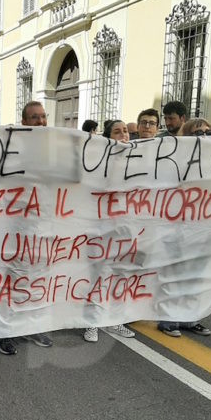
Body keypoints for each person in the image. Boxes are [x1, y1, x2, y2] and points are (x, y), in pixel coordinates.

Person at [0, 101, 53, 355]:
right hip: (16, 225)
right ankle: (5, 331)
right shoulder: (12, 148)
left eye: (43, 117)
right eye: (34, 117)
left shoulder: (56, 148)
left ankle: (32, 326)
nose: (40, 122)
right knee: (14, 278)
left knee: (38, 279)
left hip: (45, 227)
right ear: (24, 122)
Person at [157, 118, 211, 337]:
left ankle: (190, 318)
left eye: (207, 132)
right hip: (178, 223)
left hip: (204, 224)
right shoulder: (174, 159)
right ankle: (169, 320)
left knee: (197, 274)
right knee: (176, 272)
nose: (204, 136)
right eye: (198, 133)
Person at [83, 119, 136, 342]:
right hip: (101, 227)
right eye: (117, 132)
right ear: (108, 137)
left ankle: (115, 320)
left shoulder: (137, 159)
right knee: (99, 274)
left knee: (121, 275)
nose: (124, 135)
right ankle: (92, 323)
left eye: (125, 131)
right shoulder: (99, 161)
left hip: (126, 227)